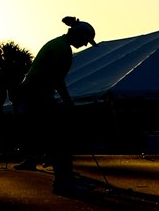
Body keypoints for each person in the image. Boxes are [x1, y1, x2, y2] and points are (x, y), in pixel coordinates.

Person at [14, 16, 97, 194]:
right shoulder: (62, 50)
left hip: (34, 95)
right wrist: (68, 101)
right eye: (85, 40)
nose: (85, 45)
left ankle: (64, 179)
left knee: (57, 138)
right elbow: (57, 80)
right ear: (78, 35)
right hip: (37, 96)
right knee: (60, 139)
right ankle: (63, 183)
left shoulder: (58, 44)